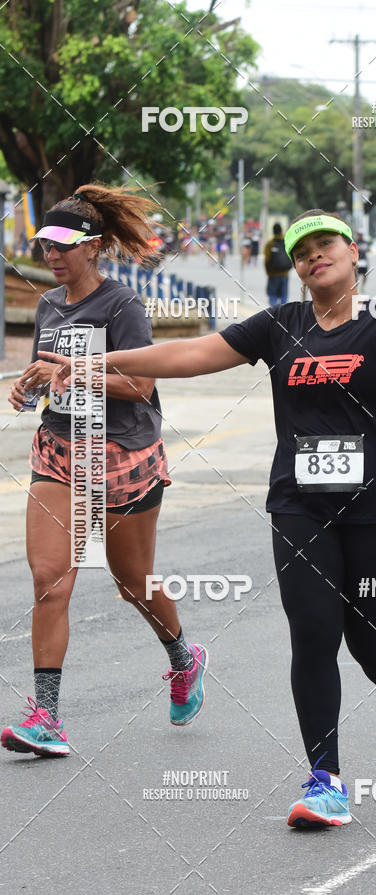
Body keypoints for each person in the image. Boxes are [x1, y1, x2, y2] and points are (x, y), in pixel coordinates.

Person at [41, 210, 376, 827]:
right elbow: (193, 351)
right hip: (300, 504)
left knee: (372, 639)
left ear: (354, 252)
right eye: (301, 252)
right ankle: (324, 780)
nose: (312, 257)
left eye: (324, 244)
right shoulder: (281, 325)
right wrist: (92, 364)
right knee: (312, 632)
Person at [1, 185, 208, 759]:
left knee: (131, 582)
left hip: (121, 455)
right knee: (49, 580)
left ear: (93, 247)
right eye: (46, 244)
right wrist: (31, 384)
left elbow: (140, 385)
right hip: (59, 450)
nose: (52, 254)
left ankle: (182, 655)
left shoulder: (123, 307)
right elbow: (50, 373)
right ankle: (47, 716)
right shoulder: (48, 306)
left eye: (64, 245)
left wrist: (82, 372)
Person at [263, 222, 292, 306]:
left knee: (272, 295)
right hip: (285, 274)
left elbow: (266, 260)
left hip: (273, 274)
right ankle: (283, 315)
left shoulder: (270, 244)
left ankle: (275, 315)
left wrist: (268, 272)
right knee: (284, 296)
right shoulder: (286, 242)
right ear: (281, 231)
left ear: (273, 231)